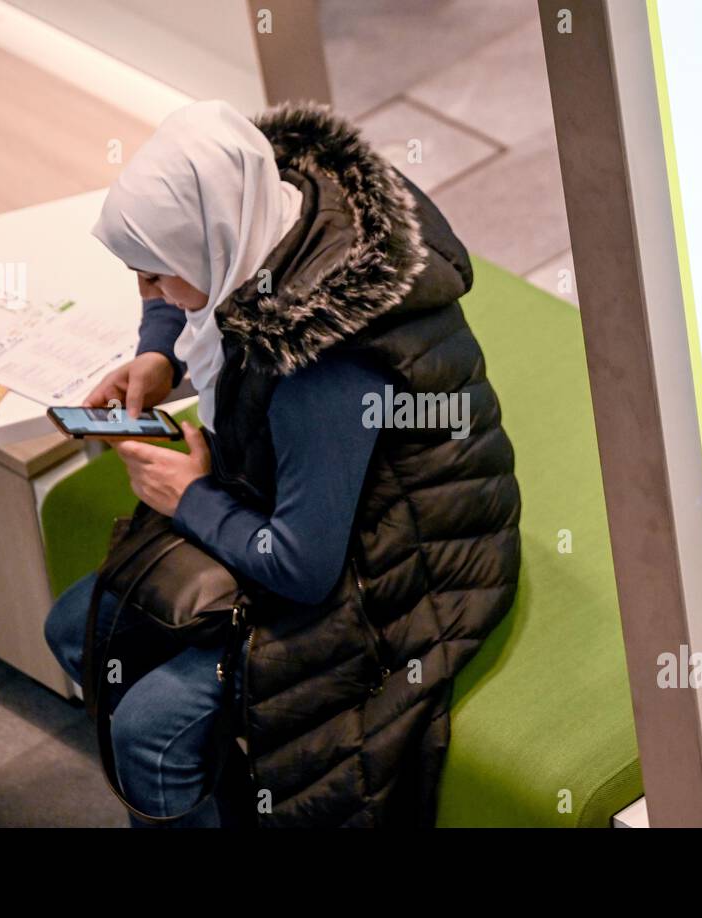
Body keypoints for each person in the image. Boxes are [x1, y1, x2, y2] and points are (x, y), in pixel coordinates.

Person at [44, 99, 520, 828]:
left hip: (400, 567)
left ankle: (196, 789)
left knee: (148, 729)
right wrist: (159, 352)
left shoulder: (320, 367)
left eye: (158, 277)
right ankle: (218, 786)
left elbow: (302, 566)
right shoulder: (274, 201)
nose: (152, 295)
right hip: (298, 501)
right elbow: (193, 290)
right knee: (78, 629)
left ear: (218, 245)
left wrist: (189, 498)